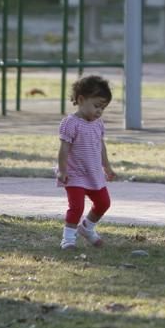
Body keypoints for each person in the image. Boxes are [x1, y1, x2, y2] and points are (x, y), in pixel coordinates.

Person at [57, 75, 116, 250]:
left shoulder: (98, 123)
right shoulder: (70, 123)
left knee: (104, 203)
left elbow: (101, 147)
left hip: (93, 172)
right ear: (81, 100)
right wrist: (62, 170)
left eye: (103, 108)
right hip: (74, 174)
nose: (99, 111)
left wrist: (107, 167)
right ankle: (68, 239)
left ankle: (87, 228)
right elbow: (64, 149)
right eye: (96, 106)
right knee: (76, 207)